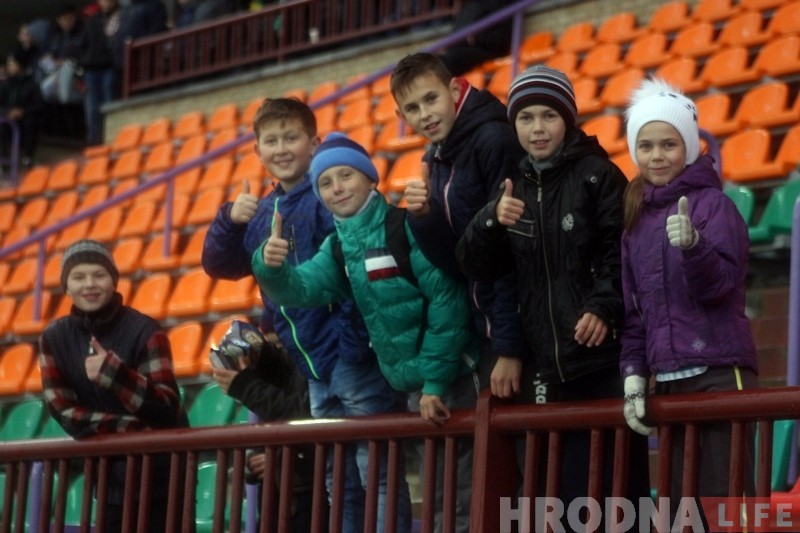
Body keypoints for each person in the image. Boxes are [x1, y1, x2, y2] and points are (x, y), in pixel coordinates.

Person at [456, 65, 650, 532]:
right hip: (548, 368)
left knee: (621, 494)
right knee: (561, 503)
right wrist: (489, 220)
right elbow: (473, 264)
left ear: (568, 119)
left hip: (603, 364)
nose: (537, 128)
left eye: (548, 116)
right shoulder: (513, 189)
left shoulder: (598, 176)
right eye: (525, 118)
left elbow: (620, 255)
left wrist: (604, 306)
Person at [252, 131, 479, 530]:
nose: (337, 188)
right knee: (441, 496)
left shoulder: (403, 227)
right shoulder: (339, 247)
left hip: (454, 377)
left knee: (462, 498)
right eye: (325, 182)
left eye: (346, 176)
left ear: (370, 179)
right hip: (417, 387)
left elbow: (448, 303)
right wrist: (270, 267)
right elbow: (300, 288)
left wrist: (434, 382)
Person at [202, 98, 408, 533]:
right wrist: (229, 222)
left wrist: (351, 350)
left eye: (291, 138)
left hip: (351, 360)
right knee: (337, 477)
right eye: (270, 141)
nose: (281, 149)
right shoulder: (260, 213)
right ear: (256, 151)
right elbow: (219, 266)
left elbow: (351, 274)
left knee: (378, 473)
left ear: (313, 143)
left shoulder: (328, 197)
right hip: (310, 366)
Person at [619, 77, 758, 521]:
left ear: (690, 147)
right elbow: (635, 312)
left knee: (728, 508)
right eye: (646, 146)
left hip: (720, 371)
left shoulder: (714, 206)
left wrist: (694, 245)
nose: (657, 156)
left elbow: (720, 288)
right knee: (682, 513)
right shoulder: (635, 221)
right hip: (669, 380)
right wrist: (633, 375)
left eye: (669, 144)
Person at [39, 239, 191, 533]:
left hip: (166, 475)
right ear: (66, 287)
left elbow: (166, 408)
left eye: (99, 274)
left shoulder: (146, 330)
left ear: (113, 280)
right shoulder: (53, 337)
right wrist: (129, 428)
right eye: (78, 277)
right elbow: (63, 409)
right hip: (108, 478)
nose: (89, 284)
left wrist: (116, 375)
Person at [211, 321, 323, 531]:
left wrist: (276, 458)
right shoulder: (303, 345)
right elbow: (289, 385)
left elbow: (310, 416)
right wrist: (262, 357)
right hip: (285, 491)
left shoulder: (327, 349)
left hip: (310, 493)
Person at [79, 0, 122, 145]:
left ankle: (110, 138)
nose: (106, 3)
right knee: (93, 107)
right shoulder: (92, 20)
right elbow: (83, 44)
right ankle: (95, 140)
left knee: (109, 104)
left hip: (109, 66)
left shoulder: (120, 16)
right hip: (91, 69)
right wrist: (84, 62)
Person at [438, 0, 514, 76]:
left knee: (454, 58)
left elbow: (501, 39)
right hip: (463, 49)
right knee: (434, 61)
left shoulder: (498, 3)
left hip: (490, 51)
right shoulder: (468, 5)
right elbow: (456, 34)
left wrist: (475, 38)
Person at [0, 51, 43, 170]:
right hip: (8, 117)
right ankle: (4, 160)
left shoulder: (32, 84)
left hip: (26, 116)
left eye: (12, 63)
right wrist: (8, 112)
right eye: (8, 64)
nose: (10, 67)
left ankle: (28, 157)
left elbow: (38, 105)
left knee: (31, 123)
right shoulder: (5, 85)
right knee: (2, 127)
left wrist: (23, 111)